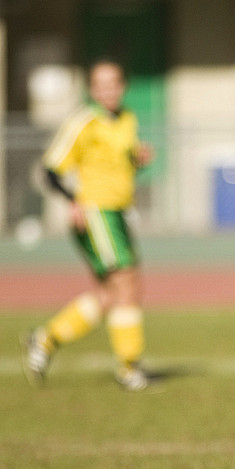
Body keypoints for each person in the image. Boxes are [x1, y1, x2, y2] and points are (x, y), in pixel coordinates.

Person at [23, 58, 154, 391]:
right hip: (97, 212)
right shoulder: (84, 121)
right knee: (126, 282)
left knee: (109, 295)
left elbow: (118, 166)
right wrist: (73, 201)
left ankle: (45, 339)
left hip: (118, 212)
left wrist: (136, 160)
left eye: (114, 83)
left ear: (122, 86)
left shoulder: (127, 119)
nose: (108, 90)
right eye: (101, 84)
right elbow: (50, 170)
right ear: (93, 90)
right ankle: (129, 367)